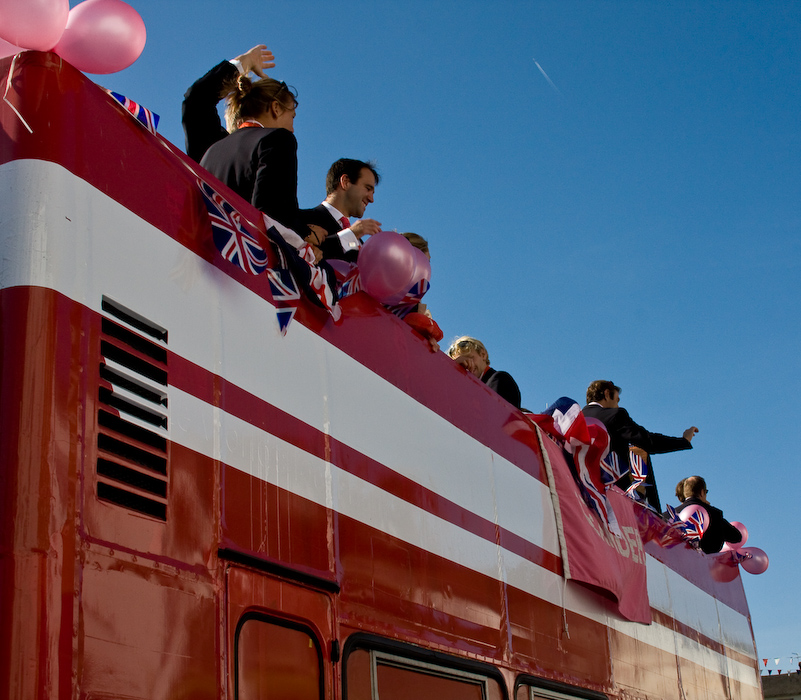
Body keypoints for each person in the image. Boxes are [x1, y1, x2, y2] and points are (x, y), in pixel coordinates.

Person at [183, 45, 324, 254]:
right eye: (291, 117)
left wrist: (242, 63)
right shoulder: (277, 140)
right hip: (238, 269)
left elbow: (195, 101)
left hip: (192, 252)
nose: (293, 129)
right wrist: (305, 243)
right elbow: (273, 217)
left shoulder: (211, 147)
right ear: (276, 108)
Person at [582, 380, 698, 512]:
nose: (617, 404)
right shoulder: (616, 415)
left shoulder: (575, 418)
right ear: (607, 394)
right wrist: (684, 440)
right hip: (610, 497)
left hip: (579, 492)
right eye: (617, 400)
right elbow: (648, 441)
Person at [299, 159, 382, 262]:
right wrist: (350, 234)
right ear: (345, 182)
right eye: (368, 189)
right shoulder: (300, 219)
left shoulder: (361, 244)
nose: (371, 199)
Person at [448, 337, 521, 409]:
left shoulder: (500, 379)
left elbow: (492, 415)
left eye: (470, 357)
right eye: (462, 363)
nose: (467, 364)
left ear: (483, 354)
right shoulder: (467, 388)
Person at [677, 475, 741, 554]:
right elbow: (736, 537)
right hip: (704, 565)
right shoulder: (714, 514)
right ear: (702, 492)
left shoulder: (669, 514)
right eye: (706, 492)